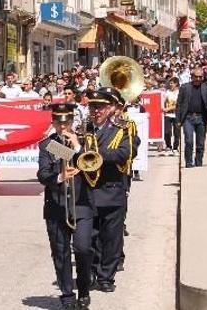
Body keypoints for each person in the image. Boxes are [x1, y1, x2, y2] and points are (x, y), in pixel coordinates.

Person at [37, 104, 92, 310]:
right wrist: (60, 176)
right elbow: (42, 174)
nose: (63, 126)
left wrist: (76, 146)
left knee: (83, 248)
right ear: (53, 123)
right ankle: (67, 294)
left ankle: (84, 289)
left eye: (66, 122)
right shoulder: (48, 145)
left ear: (72, 122)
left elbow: (93, 167)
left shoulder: (85, 141)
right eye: (58, 122)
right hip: (57, 207)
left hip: (82, 205)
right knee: (60, 252)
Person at [87, 88, 140, 293]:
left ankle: (106, 276)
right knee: (88, 238)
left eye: (99, 107)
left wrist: (93, 154)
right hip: (87, 192)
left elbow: (126, 153)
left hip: (112, 189)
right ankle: (91, 271)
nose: (95, 110)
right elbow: (64, 153)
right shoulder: (82, 128)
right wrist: (49, 143)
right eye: (92, 106)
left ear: (110, 108)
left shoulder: (124, 128)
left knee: (111, 237)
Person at [176, 68, 207, 168]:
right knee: (188, 141)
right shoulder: (185, 87)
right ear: (192, 77)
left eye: (200, 77)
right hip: (188, 118)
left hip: (201, 118)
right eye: (196, 77)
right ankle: (189, 163)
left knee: (200, 143)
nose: (198, 79)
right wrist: (178, 120)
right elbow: (179, 104)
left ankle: (198, 162)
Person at [163, 77, 180, 156]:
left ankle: (175, 148)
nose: (170, 85)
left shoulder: (179, 93)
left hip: (176, 115)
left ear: (176, 84)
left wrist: (169, 108)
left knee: (176, 132)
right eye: (170, 83)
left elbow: (178, 105)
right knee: (167, 132)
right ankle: (168, 146)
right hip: (167, 115)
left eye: (172, 83)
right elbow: (162, 100)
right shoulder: (167, 92)